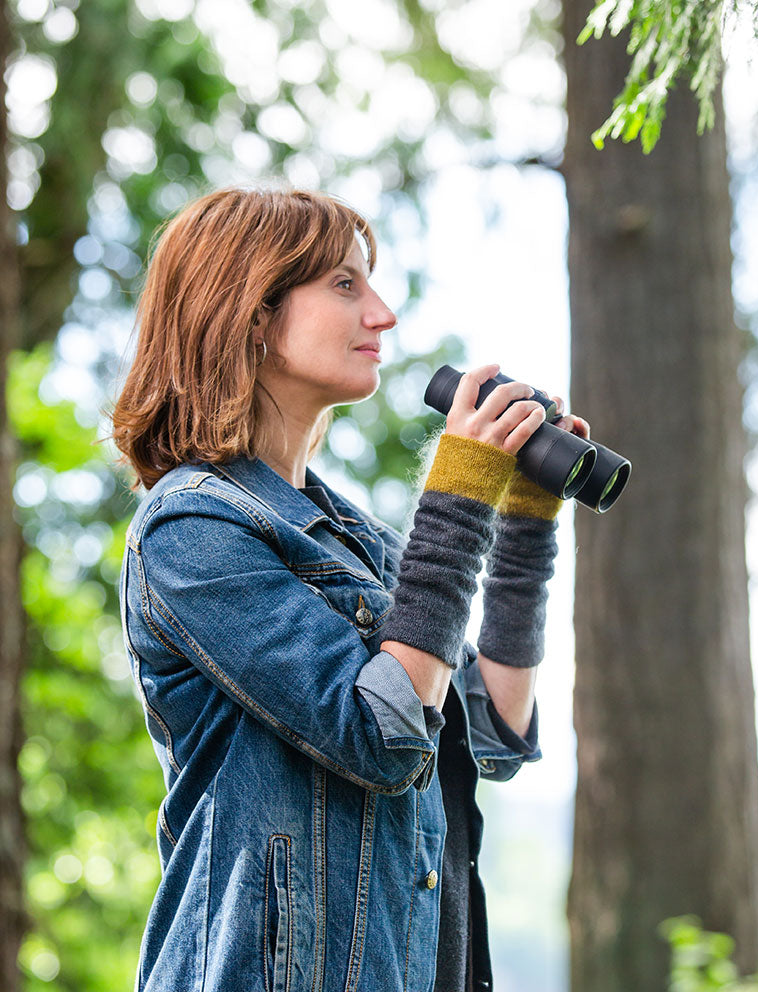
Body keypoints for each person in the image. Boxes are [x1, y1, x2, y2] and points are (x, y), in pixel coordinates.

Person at [112, 186, 589, 992]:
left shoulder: (359, 541)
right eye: (344, 284)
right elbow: (381, 733)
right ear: (252, 312)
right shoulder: (190, 532)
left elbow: (493, 727)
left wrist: (525, 515)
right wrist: (458, 492)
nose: (382, 314)